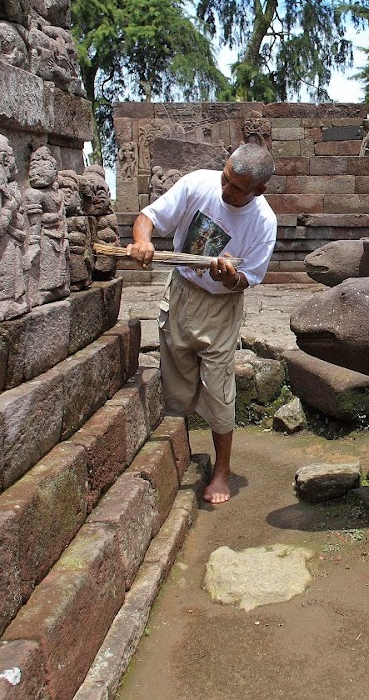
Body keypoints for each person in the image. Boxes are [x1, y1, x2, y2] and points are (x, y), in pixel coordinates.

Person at [129, 144, 278, 504]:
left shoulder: (264, 222)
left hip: (221, 308)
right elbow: (149, 217)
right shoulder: (198, 184)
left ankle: (222, 472)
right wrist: (142, 241)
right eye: (226, 179)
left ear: (258, 191)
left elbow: (248, 279)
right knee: (175, 385)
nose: (226, 190)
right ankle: (177, 456)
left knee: (219, 390)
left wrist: (230, 278)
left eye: (237, 187)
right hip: (181, 293)